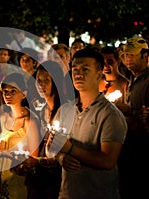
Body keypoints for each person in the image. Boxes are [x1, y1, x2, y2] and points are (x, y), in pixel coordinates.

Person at [53, 48, 127, 199]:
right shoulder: (65, 110)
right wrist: (61, 158)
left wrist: (70, 148)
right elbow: (53, 145)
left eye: (85, 69)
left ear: (99, 73)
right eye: (75, 70)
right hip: (68, 193)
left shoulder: (110, 115)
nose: (78, 74)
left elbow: (108, 161)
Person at [0, 73, 40, 199]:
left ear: (24, 93)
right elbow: (2, 144)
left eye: (13, 91)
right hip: (2, 174)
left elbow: (33, 158)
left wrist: (4, 153)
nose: (8, 95)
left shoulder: (30, 120)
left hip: (19, 177)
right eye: (5, 91)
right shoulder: (4, 117)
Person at [24, 61, 64, 199]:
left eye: (46, 80)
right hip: (39, 177)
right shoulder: (41, 111)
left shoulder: (65, 111)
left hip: (57, 179)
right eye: (38, 80)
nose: (41, 84)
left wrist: (39, 161)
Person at [117, 37, 149, 199]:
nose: (128, 59)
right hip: (127, 146)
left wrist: (129, 111)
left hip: (142, 150)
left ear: (145, 56)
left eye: (132, 55)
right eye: (126, 55)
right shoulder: (131, 79)